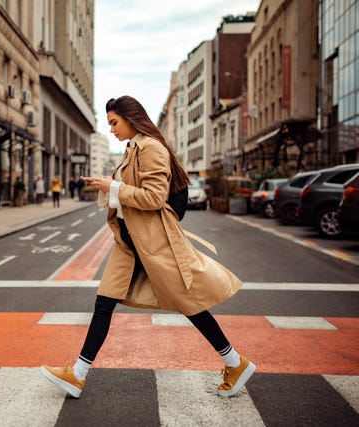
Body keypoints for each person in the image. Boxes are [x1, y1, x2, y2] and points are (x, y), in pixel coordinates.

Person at [40, 95, 255, 399]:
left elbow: (154, 197)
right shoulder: (132, 149)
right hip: (130, 243)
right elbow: (132, 194)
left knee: (188, 303)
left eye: (114, 122)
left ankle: (235, 362)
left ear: (131, 118)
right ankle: (77, 374)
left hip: (153, 243)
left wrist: (113, 187)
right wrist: (108, 185)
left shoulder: (151, 148)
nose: (112, 129)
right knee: (104, 303)